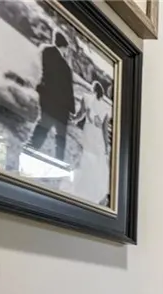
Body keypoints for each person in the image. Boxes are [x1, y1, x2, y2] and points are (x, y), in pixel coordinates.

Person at [29, 30, 75, 163]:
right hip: (60, 106)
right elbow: (68, 89)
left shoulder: (47, 52)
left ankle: (30, 149)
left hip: (47, 98)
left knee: (43, 126)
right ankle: (58, 162)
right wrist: (71, 109)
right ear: (65, 47)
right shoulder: (65, 66)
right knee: (60, 137)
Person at [70, 81, 112, 206]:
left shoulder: (87, 98)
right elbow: (104, 130)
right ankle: (93, 190)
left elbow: (81, 114)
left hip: (89, 132)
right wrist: (106, 147)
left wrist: (74, 118)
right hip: (98, 138)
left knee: (86, 158)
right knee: (96, 162)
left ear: (93, 88)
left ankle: (83, 186)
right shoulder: (106, 108)